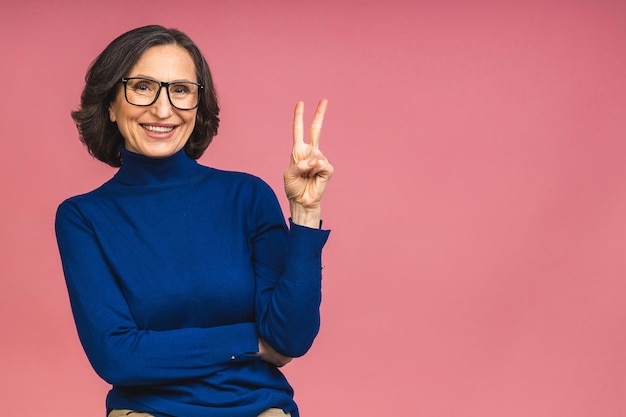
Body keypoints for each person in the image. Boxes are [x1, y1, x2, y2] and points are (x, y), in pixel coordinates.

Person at [55, 25, 333, 417]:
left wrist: (305, 216)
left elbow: (290, 338)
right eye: (142, 86)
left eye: (181, 90)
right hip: (145, 412)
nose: (163, 109)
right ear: (110, 104)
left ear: (198, 105)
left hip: (259, 408)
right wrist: (249, 341)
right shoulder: (83, 217)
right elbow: (116, 356)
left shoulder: (248, 196)